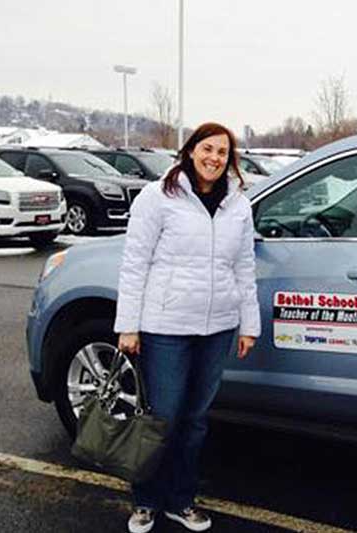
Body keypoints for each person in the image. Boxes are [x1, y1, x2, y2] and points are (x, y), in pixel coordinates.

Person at [114, 122, 260, 533]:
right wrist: (128, 326)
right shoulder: (158, 196)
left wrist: (249, 324)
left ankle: (181, 500)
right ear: (191, 150)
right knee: (162, 418)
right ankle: (146, 500)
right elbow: (135, 263)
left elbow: (244, 267)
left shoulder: (238, 204)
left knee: (195, 420)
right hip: (166, 327)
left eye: (222, 152)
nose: (214, 158)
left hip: (218, 327)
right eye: (207, 148)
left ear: (230, 160)